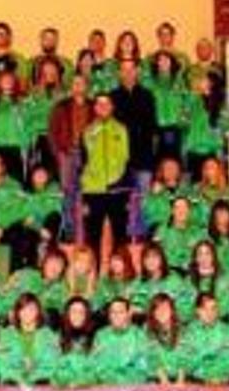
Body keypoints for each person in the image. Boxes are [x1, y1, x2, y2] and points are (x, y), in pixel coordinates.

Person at [80, 93, 131, 260]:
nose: (103, 107)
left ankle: (121, 275)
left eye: (106, 104)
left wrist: (124, 184)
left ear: (112, 107)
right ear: (94, 108)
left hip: (118, 189)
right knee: (93, 236)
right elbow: (82, 161)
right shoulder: (87, 131)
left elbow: (127, 157)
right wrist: (83, 194)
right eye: (99, 104)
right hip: (93, 190)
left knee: (120, 234)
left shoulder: (121, 130)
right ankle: (94, 276)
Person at [110, 59, 157, 189]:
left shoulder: (147, 96)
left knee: (143, 199)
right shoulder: (112, 97)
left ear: (137, 72)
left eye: (131, 69)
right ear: (119, 73)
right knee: (121, 200)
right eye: (124, 70)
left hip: (143, 157)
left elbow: (151, 126)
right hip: (119, 160)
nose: (128, 73)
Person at [0, 293, 60, 385]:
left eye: (31, 309)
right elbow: (3, 364)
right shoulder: (6, 334)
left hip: (40, 384)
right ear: (17, 312)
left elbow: (51, 365)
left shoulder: (49, 335)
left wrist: (33, 379)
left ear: (38, 311)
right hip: (13, 384)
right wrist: (20, 379)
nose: (27, 313)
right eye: (23, 309)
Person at [183, 71, 229, 182]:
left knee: (213, 185)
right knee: (194, 188)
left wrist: (222, 128)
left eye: (203, 79)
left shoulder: (222, 103)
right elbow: (183, 120)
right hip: (193, 151)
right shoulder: (193, 99)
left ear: (211, 83)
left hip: (213, 152)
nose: (200, 82)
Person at [0, 71, 29, 183]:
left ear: (14, 83)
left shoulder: (23, 103)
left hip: (15, 147)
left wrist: (26, 146)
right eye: (3, 80)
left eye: (10, 79)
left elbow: (27, 126)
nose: (7, 82)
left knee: (16, 182)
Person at [48, 74, 94, 191]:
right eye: (75, 84)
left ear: (87, 86)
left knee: (88, 188)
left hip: (88, 153)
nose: (78, 87)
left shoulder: (94, 106)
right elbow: (53, 131)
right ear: (71, 87)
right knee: (67, 189)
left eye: (81, 83)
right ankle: (67, 209)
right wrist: (58, 152)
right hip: (67, 152)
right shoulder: (61, 106)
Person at [91, 297, 152, 384]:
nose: (116, 315)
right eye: (113, 312)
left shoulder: (139, 335)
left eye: (120, 312)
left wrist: (125, 381)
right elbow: (97, 366)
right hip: (107, 387)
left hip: (133, 388)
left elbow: (143, 367)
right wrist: (113, 381)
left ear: (128, 314)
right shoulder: (101, 336)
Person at [52, 297, 98, 388]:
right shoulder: (55, 338)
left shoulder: (97, 338)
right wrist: (67, 382)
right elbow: (54, 371)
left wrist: (80, 382)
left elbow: (96, 371)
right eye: (73, 312)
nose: (77, 316)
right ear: (67, 314)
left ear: (87, 315)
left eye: (81, 312)